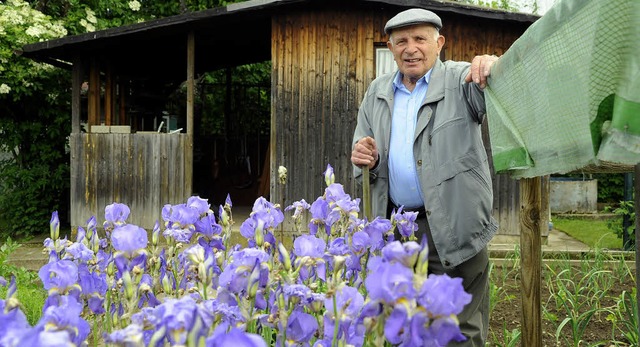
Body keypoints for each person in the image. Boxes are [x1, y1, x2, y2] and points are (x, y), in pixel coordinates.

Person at [350, 8, 499, 346]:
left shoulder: (462, 81)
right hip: (397, 227)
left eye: (420, 39)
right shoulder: (377, 92)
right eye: (401, 41)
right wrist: (364, 156)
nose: (410, 48)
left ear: (439, 43)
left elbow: (493, 88)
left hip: (453, 225)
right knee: (405, 325)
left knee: (460, 327)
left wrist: (492, 67)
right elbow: (362, 149)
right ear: (391, 48)